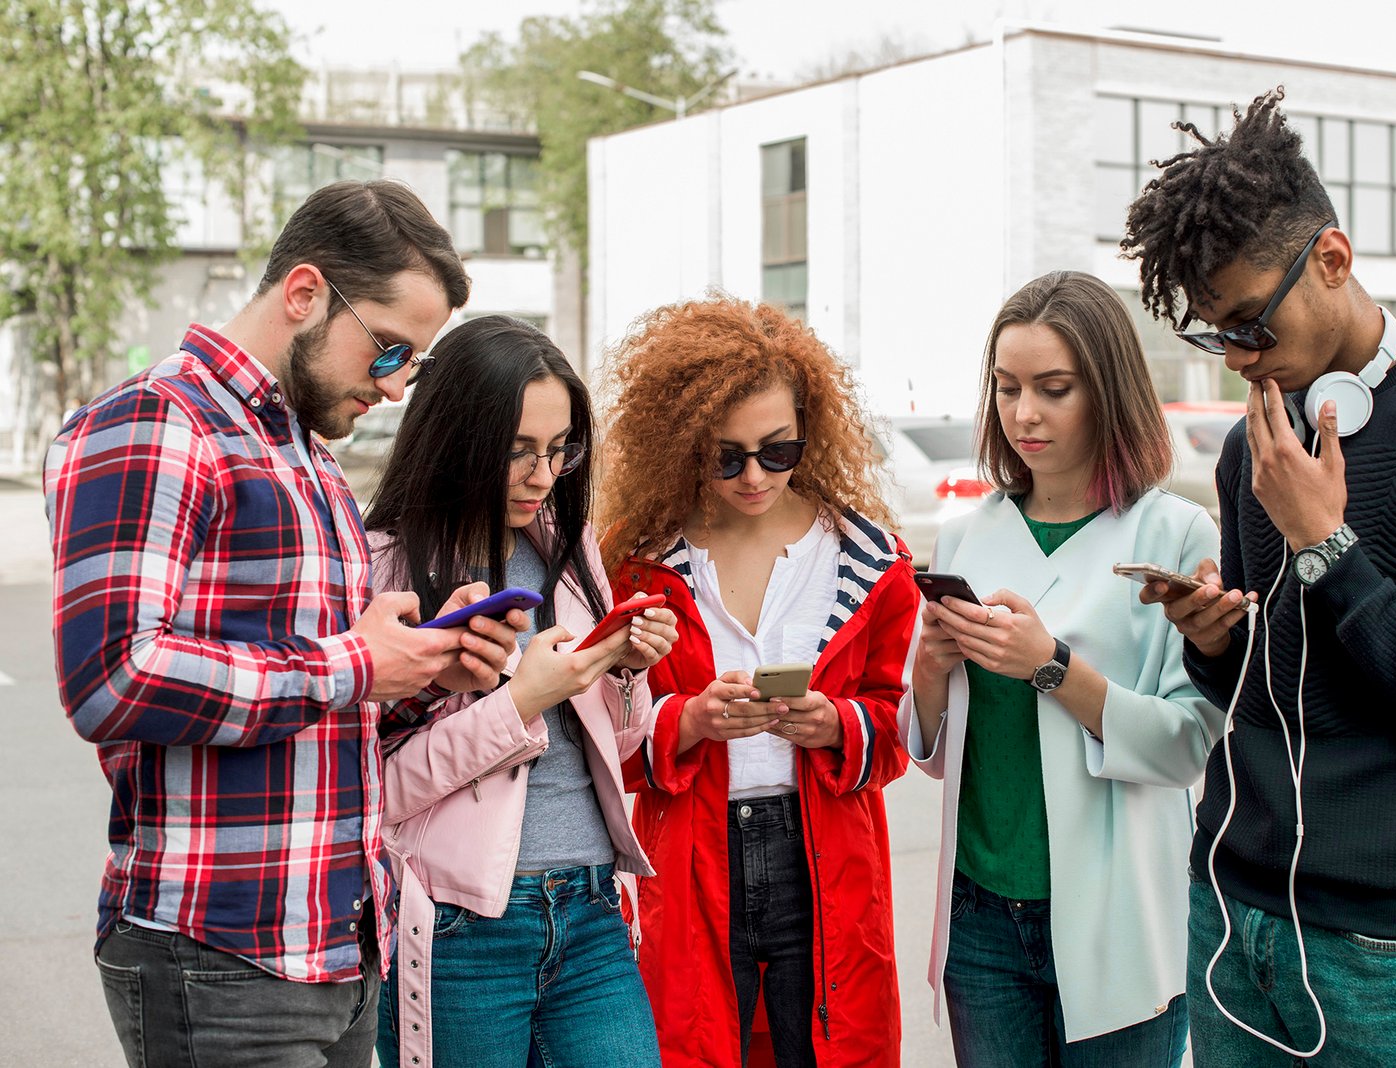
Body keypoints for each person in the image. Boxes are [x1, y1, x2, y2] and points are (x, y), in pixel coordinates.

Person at [1121, 87, 1396, 1067]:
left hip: (1386, 952)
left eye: (1251, 325)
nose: (1240, 361)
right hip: (1231, 918)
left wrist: (1324, 545)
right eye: (1215, 336)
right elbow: (1263, 692)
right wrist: (1213, 640)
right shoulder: (1255, 450)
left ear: (1332, 258)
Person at [42, 180, 519, 1067]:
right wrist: (355, 664)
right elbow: (111, 679)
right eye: (388, 351)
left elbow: (326, 704)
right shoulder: (157, 421)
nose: (395, 386)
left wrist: (421, 672)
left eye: (410, 365)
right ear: (305, 294)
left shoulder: (306, 455)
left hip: (336, 949)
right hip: (219, 953)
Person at [897, 270, 1222, 1067]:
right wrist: (932, 673)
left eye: (1054, 388)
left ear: (1107, 390)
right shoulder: (969, 532)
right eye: (1007, 389)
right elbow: (933, 753)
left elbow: (1188, 743)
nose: (1024, 414)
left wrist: (1052, 668)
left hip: (1119, 914)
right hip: (981, 919)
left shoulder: (1176, 534)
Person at [597, 297, 918, 1068]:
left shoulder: (868, 561)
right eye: (725, 455)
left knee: (834, 1046)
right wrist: (688, 720)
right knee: (692, 1045)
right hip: (690, 859)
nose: (753, 476)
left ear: (810, 430)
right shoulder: (636, 564)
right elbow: (602, 743)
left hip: (828, 858)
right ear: (682, 446)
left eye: (778, 452)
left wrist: (840, 725)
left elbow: (905, 726)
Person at [363, 315, 679, 1068]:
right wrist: (518, 703)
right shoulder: (383, 569)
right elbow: (374, 789)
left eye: (558, 449)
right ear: (457, 439)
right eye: (516, 453)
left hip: (593, 906)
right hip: (460, 927)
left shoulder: (568, 557)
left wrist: (627, 668)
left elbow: (620, 749)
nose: (543, 476)